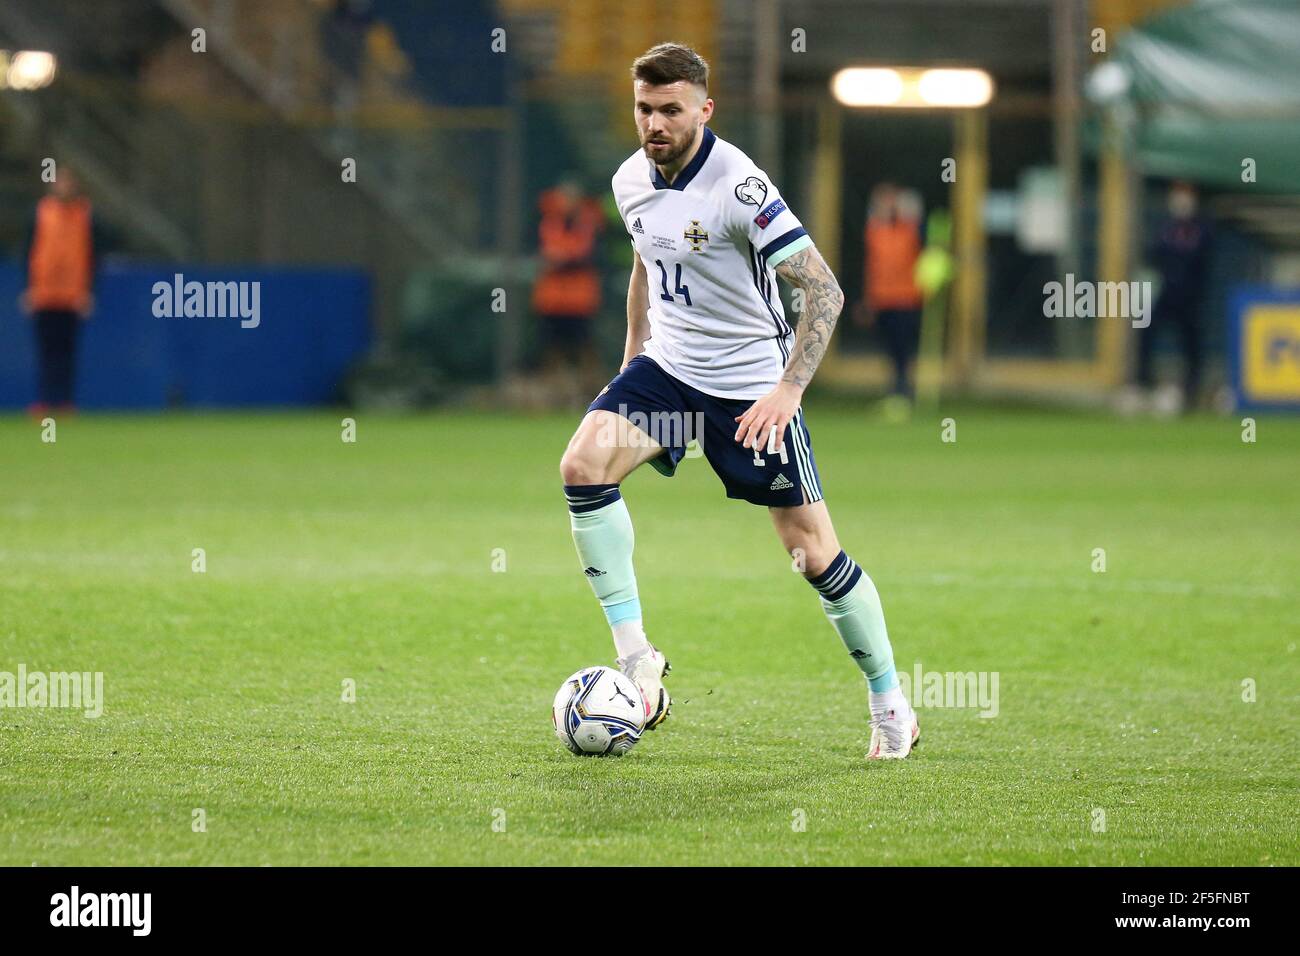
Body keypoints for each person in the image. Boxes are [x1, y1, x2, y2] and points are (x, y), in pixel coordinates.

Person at [558, 43, 919, 760]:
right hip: (670, 373)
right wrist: (632, 359)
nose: (654, 123)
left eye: (669, 110)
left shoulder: (739, 186)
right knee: (582, 464)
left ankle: (889, 703)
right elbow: (643, 264)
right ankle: (637, 661)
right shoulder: (630, 179)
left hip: (749, 389)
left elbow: (824, 290)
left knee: (811, 552)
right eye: (643, 108)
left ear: (703, 109)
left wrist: (788, 390)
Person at [21, 167, 100, 416]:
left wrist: (89, 291)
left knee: (68, 353)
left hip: (73, 296)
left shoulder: (85, 215)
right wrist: (29, 290)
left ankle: (65, 403)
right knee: (47, 352)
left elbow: (93, 256)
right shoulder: (40, 212)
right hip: (44, 295)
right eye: (59, 182)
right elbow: (29, 252)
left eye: (67, 182)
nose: (63, 187)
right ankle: (45, 402)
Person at [1133, 180, 1212, 413]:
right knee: (1146, 333)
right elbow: (1154, 258)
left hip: (1190, 297)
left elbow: (1202, 260)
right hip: (1165, 293)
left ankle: (1192, 390)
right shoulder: (1165, 228)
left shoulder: (1202, 229)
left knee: (1191, 344)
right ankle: (1142, 383)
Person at [532, 179, 605, 400]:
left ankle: (591, 392)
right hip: (552, 298)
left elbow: (583, 254)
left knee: (584, 348)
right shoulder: (548, 221)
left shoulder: (588, 221)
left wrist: (561, 258)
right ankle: (554, 394)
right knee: (552, 349)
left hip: (580, 298)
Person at [861, 183, 923, 406]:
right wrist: (869, 301)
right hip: (882, 300)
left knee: (903, 348)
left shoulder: (911, 229)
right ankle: (897, 390)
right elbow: (872, 268)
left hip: (906, 299)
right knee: (890, 348)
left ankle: (904, 391)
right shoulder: (874, 231)